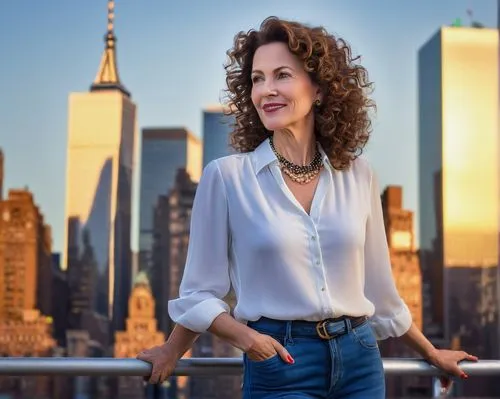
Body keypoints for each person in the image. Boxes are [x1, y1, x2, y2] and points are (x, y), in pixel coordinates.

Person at [137, 16, 477, 398]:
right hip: (280, 362)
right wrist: (236, 341)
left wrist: (431, 353)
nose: (266, 90)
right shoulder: (227, 178)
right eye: (257, 79)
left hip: (360, 361)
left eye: (281, 75)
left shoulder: (358, 175)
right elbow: (200, 292)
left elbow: (382, 292)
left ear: (318, 88)